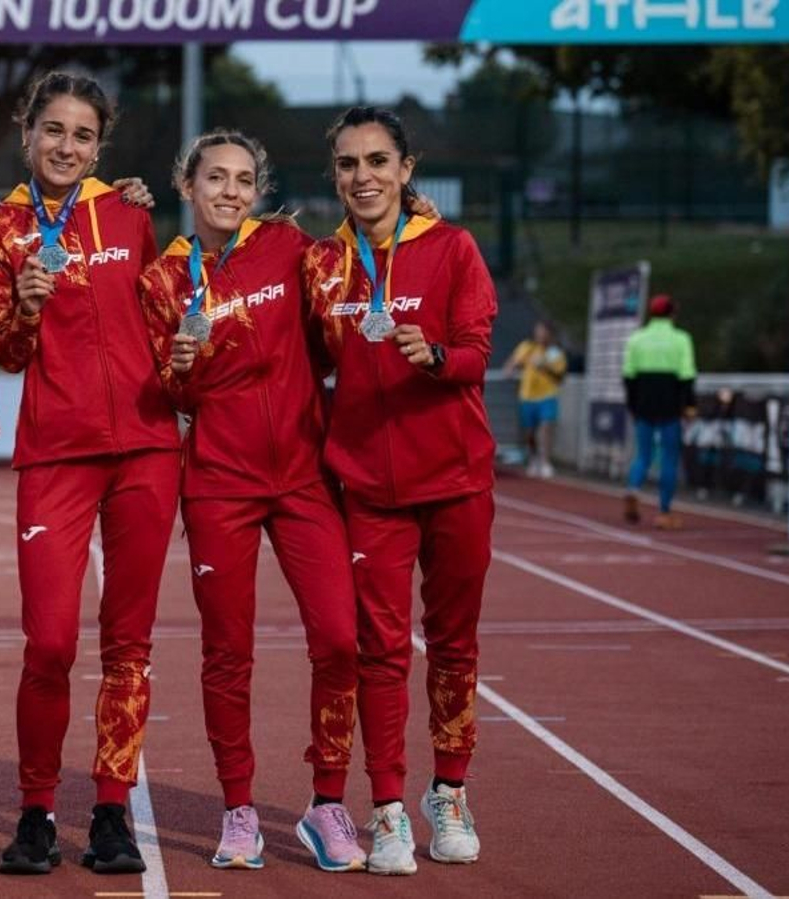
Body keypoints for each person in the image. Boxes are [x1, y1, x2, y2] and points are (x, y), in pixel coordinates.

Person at [138, 130, 362, 873]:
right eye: (216, 178)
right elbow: (174, 394)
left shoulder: (289, 247)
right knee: (228, 653)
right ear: (186, 183)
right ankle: (239, 808)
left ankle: (328, 801)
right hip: (219, 485)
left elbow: (355, 266)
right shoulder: (163, 279)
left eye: (243, 179)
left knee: (339, 637)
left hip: (303, 479)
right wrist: (176, 372)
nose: (231, 191)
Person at [0, 71, 180, 876]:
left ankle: (110, 807)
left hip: (144, 448)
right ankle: (35, 812)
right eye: (53, 130)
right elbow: (6, 350)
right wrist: (24, 305)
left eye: (83, 135)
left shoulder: (130, 212)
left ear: (101, 145)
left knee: (128, 643)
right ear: (28, 133)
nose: (67, 146)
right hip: (56, 453)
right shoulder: (2, 228)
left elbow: (169, 311)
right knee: (51, 642)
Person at [302, 106, 497, 875]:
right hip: (368, 487)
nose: (363, 176)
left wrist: (435, 354)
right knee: (379, 651)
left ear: (406, 170)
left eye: (378, 160)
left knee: (453, 645)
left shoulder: (452, 248)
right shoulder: (321, 264)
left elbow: (480, 352)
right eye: (348, 164)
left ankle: (448, 792)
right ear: (336, 177)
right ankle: (386, 806)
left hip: (454, 479)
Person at [621, 294, 697, 529]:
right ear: (672, 314)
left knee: (642, 455)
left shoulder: (637, 338)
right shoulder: (681, 339)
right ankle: (664, 510)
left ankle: (633, 489)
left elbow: (628, 376)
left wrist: (632, 406)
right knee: (669, 458)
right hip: (670, 403)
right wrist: (689, 406)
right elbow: (687, 376)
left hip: (643, 401)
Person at [503, 320, 567, 478]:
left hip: (547, 395)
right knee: (530, 432)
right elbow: (513, 361)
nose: (540, 334)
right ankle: (533, 459)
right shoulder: (528, 347)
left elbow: (560, 376)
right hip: (527, 396)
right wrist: (510, 369)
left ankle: (545, 462)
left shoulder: (555, 352)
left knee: (546, 427)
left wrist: (544, 367)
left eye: (543, 331)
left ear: (549, 334)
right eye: (538, 331)